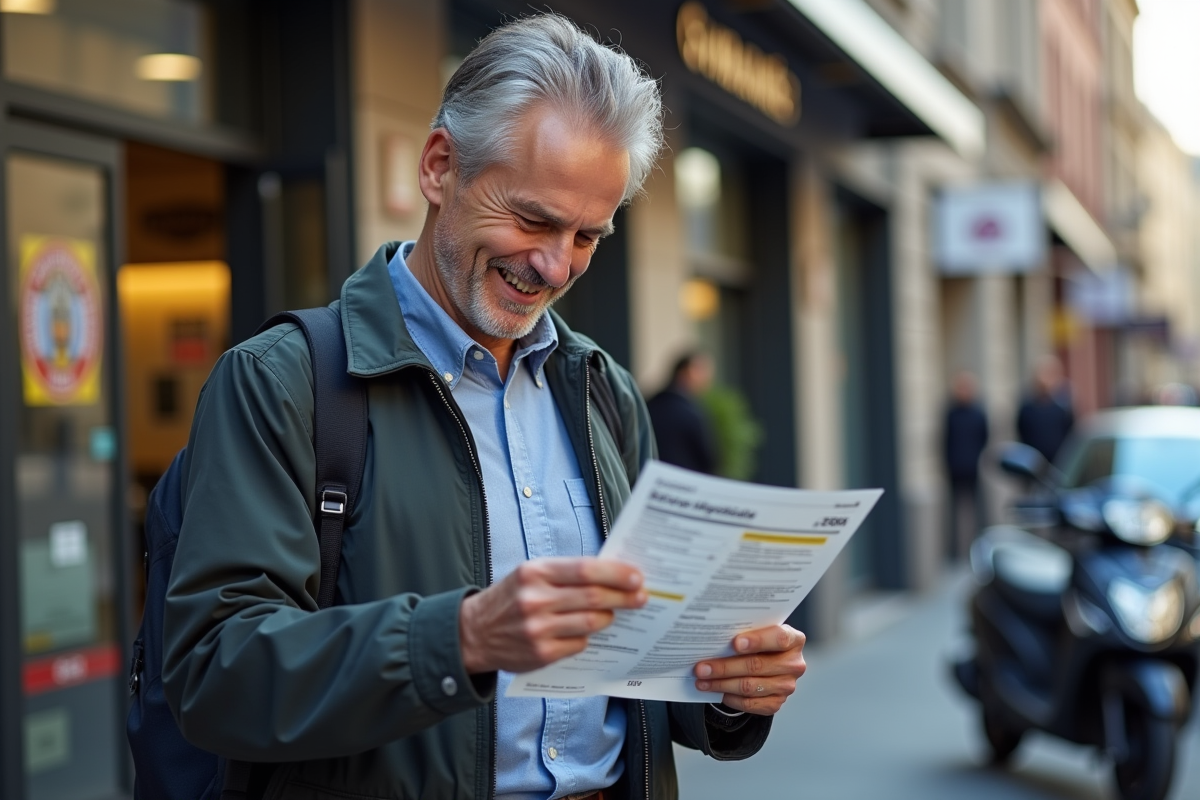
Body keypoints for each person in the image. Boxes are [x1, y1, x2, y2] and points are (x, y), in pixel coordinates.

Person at [162, 15, 804, 800]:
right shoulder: (281, 382)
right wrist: (459, 638)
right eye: (532, 219)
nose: (554, 264)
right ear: (440, 167)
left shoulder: (603, 391)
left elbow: (646, 677)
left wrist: (734, 689)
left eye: (587, 236)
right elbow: (213, 675)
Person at [646, 351, 718, 474]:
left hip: (653, 481)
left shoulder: (649, 404)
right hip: (685, 484)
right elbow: (709, 459)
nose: (706, 379)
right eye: (701, 372)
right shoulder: (690, 411)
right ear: (686, 372)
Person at [942, 371, 988, 560]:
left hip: (973, 467)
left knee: (978, 511)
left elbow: (984, 437)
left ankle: (980, 546)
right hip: (954, 468)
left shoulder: (978, 413)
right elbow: (944, 440)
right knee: (953, 513)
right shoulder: (951, 413)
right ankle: (954, 552)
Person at [1016, 354, 1075, 464]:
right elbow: (1022, 432)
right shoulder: (1027, 407)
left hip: (1059, 464)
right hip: (1032, 465)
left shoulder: (1063, 407)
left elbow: (1070, 434)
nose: (1045, 380)